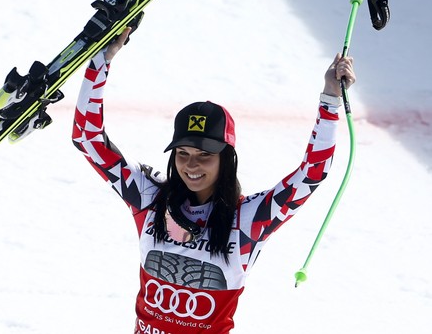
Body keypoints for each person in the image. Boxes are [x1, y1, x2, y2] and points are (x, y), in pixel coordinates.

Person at [72, 27, 355, 334]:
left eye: (204, 155)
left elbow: (312, 173)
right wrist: (101, 60)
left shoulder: (247, 219)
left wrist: (330, 99)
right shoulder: (151, 200)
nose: (191, 165)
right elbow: (87, 139)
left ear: (226, 159)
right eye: (182, 153)